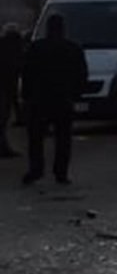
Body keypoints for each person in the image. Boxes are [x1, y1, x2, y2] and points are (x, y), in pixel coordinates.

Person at [21, 14, 88, 185]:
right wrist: (75, 95)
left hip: (39, 100)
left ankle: (36, 170)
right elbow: (81, 75)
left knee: (36, 138)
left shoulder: (36, 48)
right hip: (63, 100)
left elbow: (26, 73)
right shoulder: (73, 48)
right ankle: (61, 173)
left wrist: (26, 97)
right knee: (63, 139)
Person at [0, 23, 25, 157]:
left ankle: (3, 146)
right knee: (3, 118)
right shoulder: (17, 47)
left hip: (5, 85)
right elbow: (20, 65)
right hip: (8, 85)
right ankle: (3, 148)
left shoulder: (3, 45)